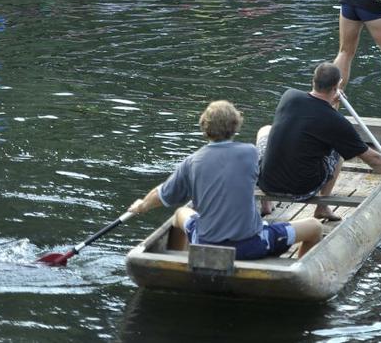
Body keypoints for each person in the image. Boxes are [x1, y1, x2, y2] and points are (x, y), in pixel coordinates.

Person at [128, 100, 323, 260]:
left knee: (180, 213)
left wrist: (142, 206)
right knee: (315, 227)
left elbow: (162, 195)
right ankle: (297, 270)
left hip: (203, 244)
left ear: (205, 126)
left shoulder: (191, 162)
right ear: (235, 125)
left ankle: (181, 264)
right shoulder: (250, 153)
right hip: (252, 245)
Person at [256, 63, 381, 222]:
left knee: (264, 130)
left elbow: (314, 113)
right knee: (337, 151)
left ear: (314, 81)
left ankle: (266, 203)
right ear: (337, 86)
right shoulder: (336, 121)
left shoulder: (289, 96)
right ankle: (322, 208)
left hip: (268, 183)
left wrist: (331, 102)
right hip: (302, 189)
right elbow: (372, 158)